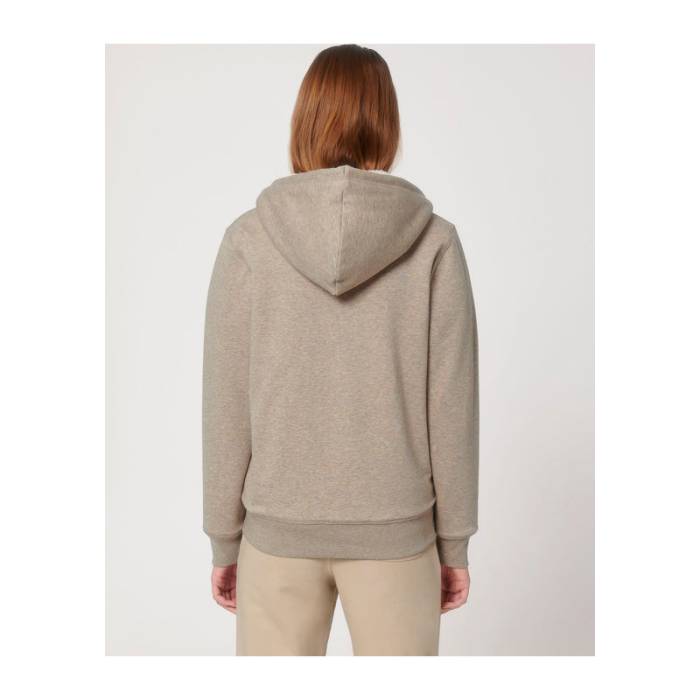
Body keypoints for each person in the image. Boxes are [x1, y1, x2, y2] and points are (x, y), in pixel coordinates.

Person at [203, 44, 479, 656]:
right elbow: (451, 404)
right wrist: (453, 542)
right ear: (388, 123)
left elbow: (226, 403)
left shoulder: (249, 240)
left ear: (304, 120)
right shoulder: (434, 243)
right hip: (397, 537)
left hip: (276, 535)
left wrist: (224, 537)